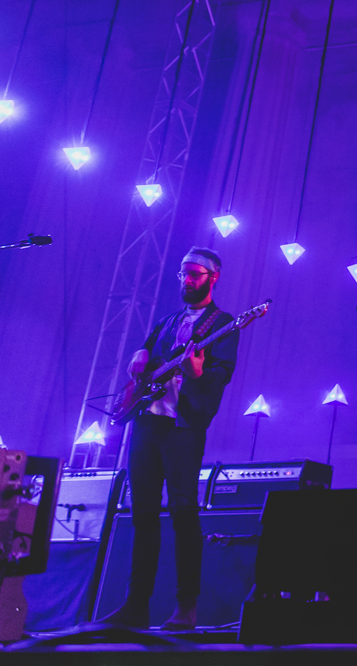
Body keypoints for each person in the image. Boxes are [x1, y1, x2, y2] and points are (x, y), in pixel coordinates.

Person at [102, 247, 239, 631]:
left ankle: (186, 609)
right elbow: (148, 347)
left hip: (183, 428)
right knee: (143, 514)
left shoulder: (223, 323)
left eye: (195, 274)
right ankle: (135, 606)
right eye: (183, 273)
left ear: (213, 277)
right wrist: (140, 353)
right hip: (147, 423)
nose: (187, 280)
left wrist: (198, 374)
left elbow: (221, 375)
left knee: (183, 512)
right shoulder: (168, 320)